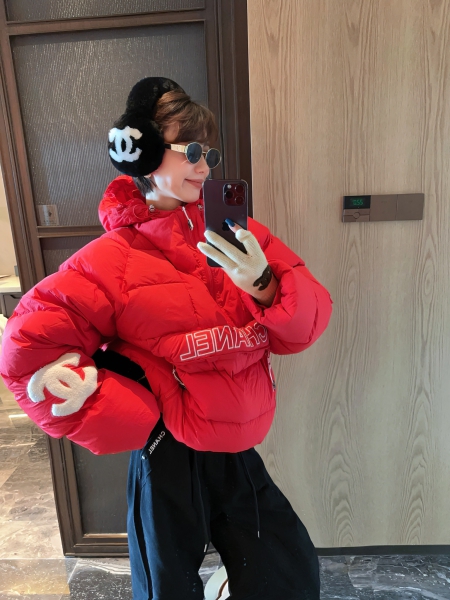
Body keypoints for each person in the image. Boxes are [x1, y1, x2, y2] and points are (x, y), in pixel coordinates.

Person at [0, 77, 333, 600]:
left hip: (234, 444)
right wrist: (128, 410)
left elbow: (306, 322)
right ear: (143, 154)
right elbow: (28, 346)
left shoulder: (238, 234)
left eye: (209, 154)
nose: (204, 166)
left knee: (287, 570)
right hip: (167, 448)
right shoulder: (113, 258)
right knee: (166, 587)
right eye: (191, 151)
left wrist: (265, 285)